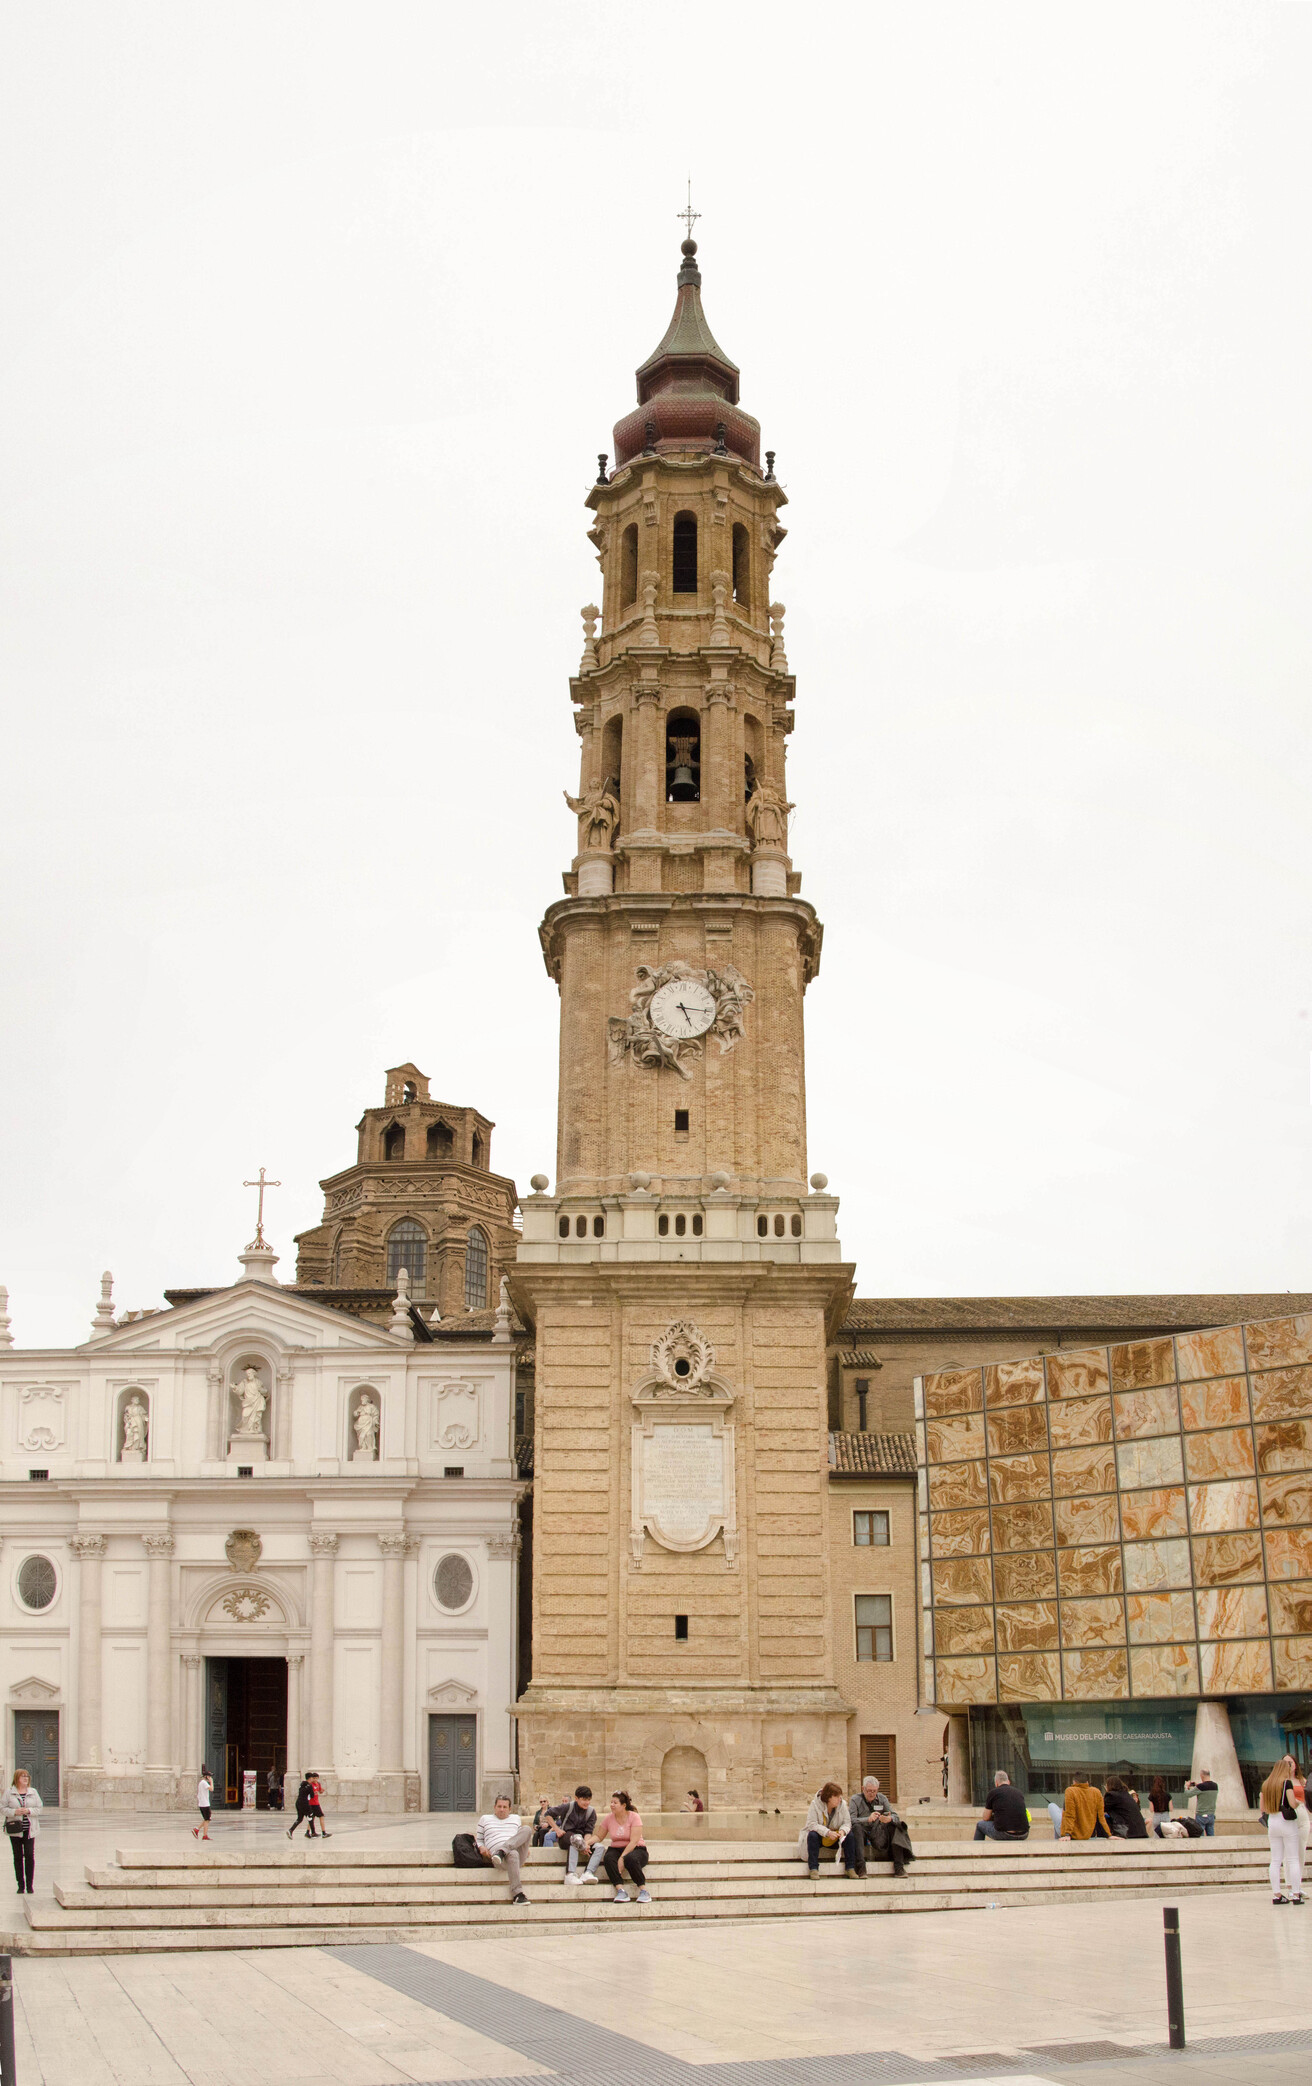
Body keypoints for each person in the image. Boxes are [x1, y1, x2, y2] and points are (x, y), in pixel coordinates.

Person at [452, 1793, 533, 1905]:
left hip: (516, 1853)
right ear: (494, 1807)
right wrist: (481, 1847)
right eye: (499, 1806)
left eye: (505, 1807)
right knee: (512, 1853)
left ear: (509, 1809)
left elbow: (518, 1837)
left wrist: (525, 1847)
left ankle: (503, 1850)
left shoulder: (516, 1818)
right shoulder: (485, 1819)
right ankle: (518, 1895)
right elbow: (479, 1839)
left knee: (527, 1829)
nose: (501, 1809)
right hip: (497, 1858)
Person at [1260, 1755, 1305, 1905]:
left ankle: (1277, 1894)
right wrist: (1298, 1802)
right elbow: (1292, 1803)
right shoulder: (1286, 1783)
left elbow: (1263, 1808)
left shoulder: (1266, 1784)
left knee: (1275, 1860)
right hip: (1286, 1822)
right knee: (1292, 1859)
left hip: (1272, 1821)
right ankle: (1296, 1894)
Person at [593, 1790, 650, 1904]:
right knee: (608, 1857)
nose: (612, 1805)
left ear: (623, 1805)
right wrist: (586, 1843)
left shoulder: (634, 1817)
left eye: (615, 1803)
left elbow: (634, 1841)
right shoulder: (609, 1818)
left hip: (636, 1848)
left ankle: (643, 1891)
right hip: (616, 1848)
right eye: (611, 1802)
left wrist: (622, 1858)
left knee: (630, 1858)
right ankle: (620, 1890)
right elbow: (599, 1836)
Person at [850, 1775, 913, 1876]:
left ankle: (899, 1867)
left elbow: (895, 1816)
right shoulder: (855, 1799)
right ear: (863, 1789)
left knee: (896, 1825)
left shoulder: (882, 1798)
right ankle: (861, 1868)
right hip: (863, 1830)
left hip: (878, 1830)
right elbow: (851, 1820)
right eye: (869, 1791)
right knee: (856, 1828)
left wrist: (889, 1818)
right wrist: (868, 1819)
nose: (872, 1794)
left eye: (874, 1791)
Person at [798, 1782, 860, 1877]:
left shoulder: (842, 1805)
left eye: (840, 1796)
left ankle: (850, 1868)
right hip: (822, 1837)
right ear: (828, 1797)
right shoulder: (815, 1804)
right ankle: (813, 1869)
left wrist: (843, 1831)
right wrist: (827, 1832)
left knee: (850, 1835)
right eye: (836, 1796)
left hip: (836, 1836)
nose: (839, 1799)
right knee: (812, 1835)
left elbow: (847, 1823)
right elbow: (811, 1824)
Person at [3, 1770, 41, 1895]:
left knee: (30, 1855)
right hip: (15, 1830)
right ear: (16, 1778)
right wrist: (15, 1812)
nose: (26, 1778)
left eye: (27, 1776)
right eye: (23, 1776)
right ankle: (21, 1885)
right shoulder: (9, 1792)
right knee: (18, 1857)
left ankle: (30, 1885)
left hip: (30, 1830)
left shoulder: (33, 1792)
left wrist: (29, 1811)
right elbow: (2, 1808)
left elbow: (39, 1808)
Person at [1046, 1772, 1110, 1841]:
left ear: (1074, 1782)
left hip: (1071, 1833)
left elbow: (1070, 1814)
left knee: (1051, 1805)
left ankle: (1059, 1840)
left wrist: (1067, 1834)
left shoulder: (1070, 1790)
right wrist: (1109, 1835)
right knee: (1060, 1816)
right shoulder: (1096, 1792)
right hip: (1087, 1834)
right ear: (1087, 1782)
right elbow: (1101, 1816)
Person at [554, 1786, 598, 1881]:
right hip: (566, 1838)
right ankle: (570, 1874)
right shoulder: (567, 1806)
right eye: (584, 1799)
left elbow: (588, 1831)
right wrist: (557, 1829)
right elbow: (548, 1814)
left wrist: (585, 1844)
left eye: (589, 1800)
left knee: (599, 1847)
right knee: (575, 1839)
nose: (587, 1802)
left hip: (581, 1840)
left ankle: (588, 1872)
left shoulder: (591, 1811)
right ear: (576, 1798)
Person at [973, 1770, 1030, 1842]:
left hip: (1004, 1833)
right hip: (1024, 1833)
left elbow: (985, 1818)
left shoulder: (993, 1793)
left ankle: (977, 1851)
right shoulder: (1019, 1792)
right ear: (1008, 1781)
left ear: (996, 1783)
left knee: (980, 1825)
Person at [1103, 1774, 1148, 1840]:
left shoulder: (1112, 1795)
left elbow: (1100, 1808)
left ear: (1109, 1785)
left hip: (1128, 1832)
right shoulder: (1126, 1794)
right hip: (1140, 1831)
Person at [1184, 1769, 1218, 1837]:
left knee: (1200, 1837)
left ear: (1202, 1775)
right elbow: (1206, 1790)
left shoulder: (1200, 1787)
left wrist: (1186, 1787)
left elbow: (1188, 1794)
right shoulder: (1215, 1786)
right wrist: (1198, 1785)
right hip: (1211, 1815)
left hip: (1201, 1815)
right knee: (1211, 1836)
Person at [192, 1764, 214, 1840]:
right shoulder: (204, 1783)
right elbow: (211, 1789)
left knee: (207, 1819)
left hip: (203, 1803)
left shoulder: (201, 1783)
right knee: (207, 1819)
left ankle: (199, 1831)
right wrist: (211, 1782)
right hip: (205, 1804)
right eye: (209, 1776)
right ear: (207, 1777)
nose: (210, 1778)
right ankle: (201, 1833)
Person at [307, 1771, 331, 1838]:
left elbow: (319, 1791)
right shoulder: (310, 1785)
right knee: (321, 1816)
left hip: (316, 1802)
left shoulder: (318, 1784)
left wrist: (321, 1791)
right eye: (314, 1778)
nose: (315, 1780)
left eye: (316, 1778)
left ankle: (308, 1832)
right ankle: (323, 1832)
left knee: (312, 1818)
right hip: (312, 1803)